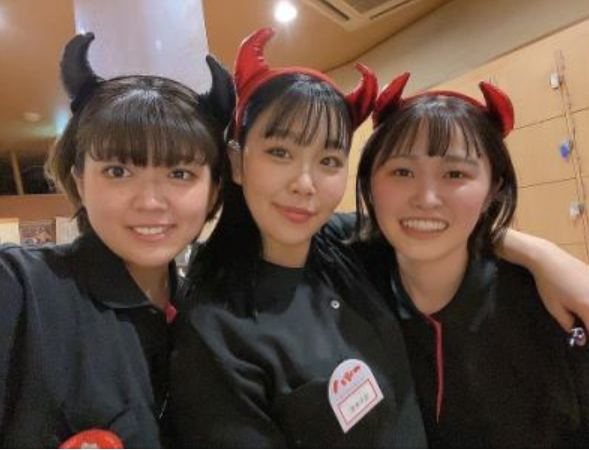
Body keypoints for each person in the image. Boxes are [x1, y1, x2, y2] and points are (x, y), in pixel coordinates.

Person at [169, 27, 428, 448]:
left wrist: (537, 256)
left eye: (329, 160)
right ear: (237, 161)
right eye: (280, 153)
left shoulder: (345, 243)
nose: (305, 184)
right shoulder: (214, 331)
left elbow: (433, 224)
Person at [0, 32, 234, 448]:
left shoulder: (210, 311)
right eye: (118, 171)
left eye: (179, 173)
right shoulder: (20, 287)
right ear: (79, 180)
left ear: (214, 189)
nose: (149, 202)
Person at [353, 72, 589, 447]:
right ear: (369, 182)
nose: (426, 198)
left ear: (494, 188)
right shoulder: (348, 278)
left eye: (455, 173)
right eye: (402, 171)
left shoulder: (549, 309)